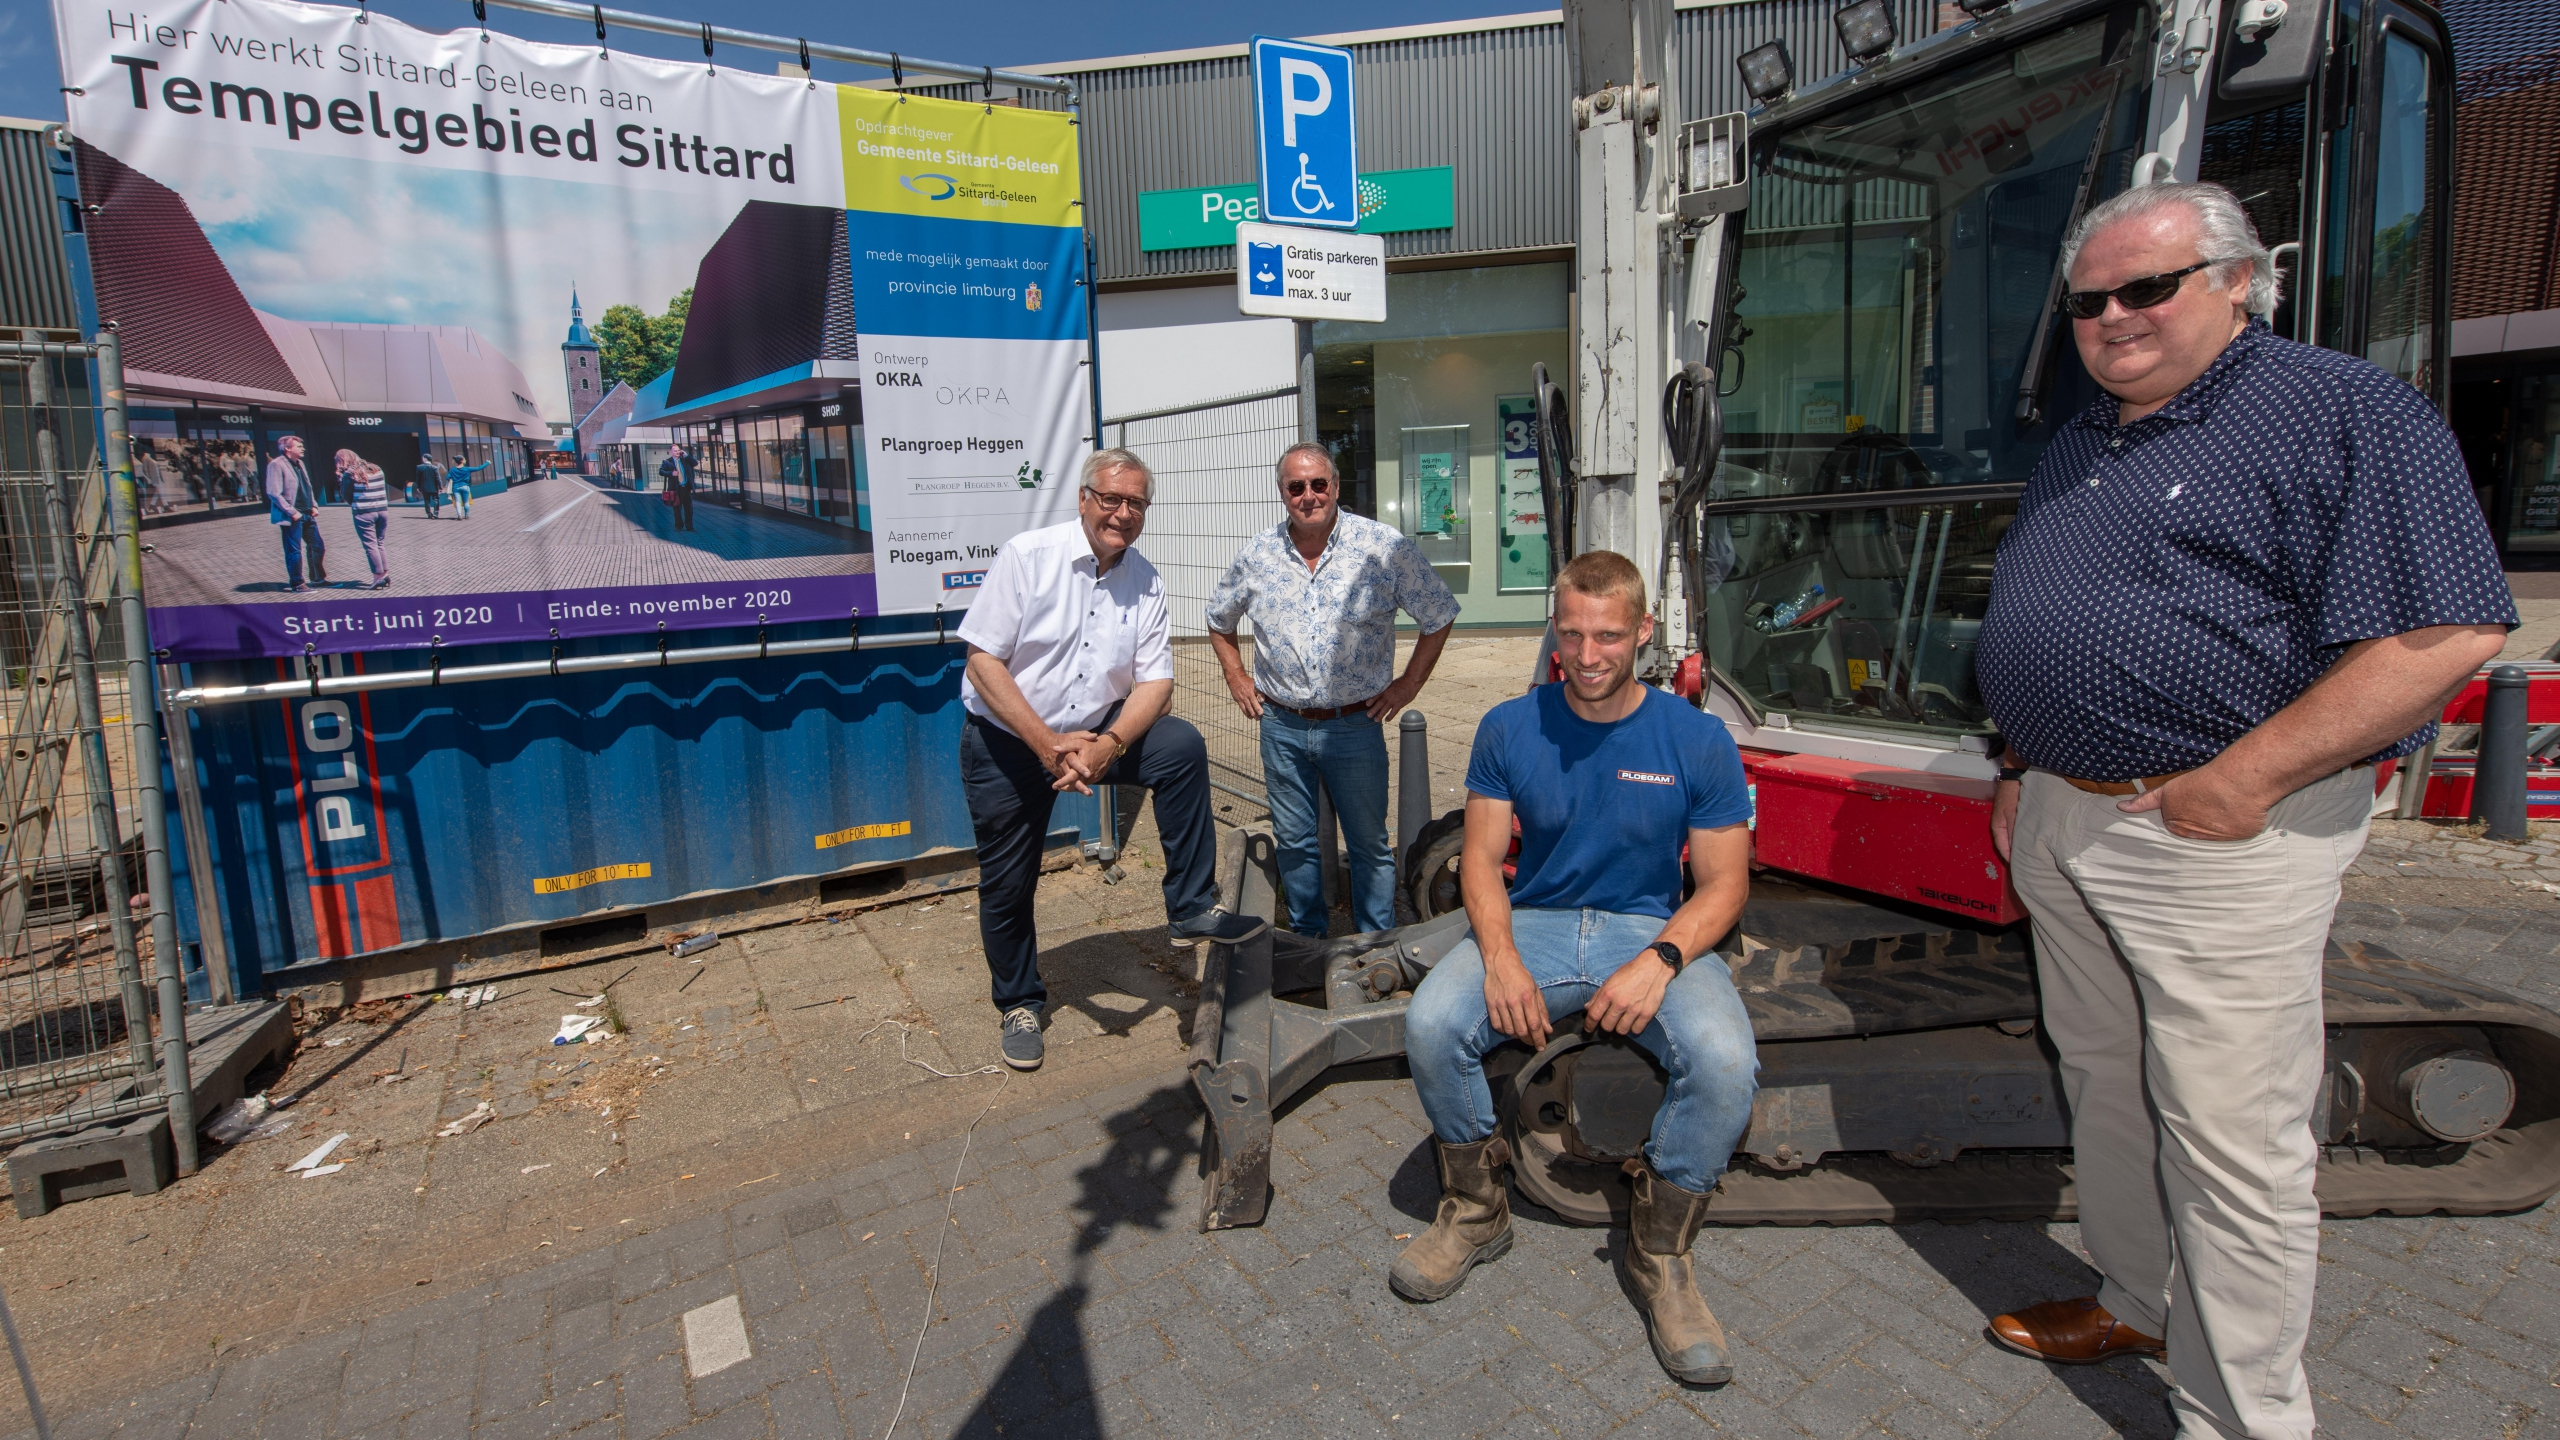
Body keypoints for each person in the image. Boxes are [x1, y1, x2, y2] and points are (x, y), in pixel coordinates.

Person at [1973, 181, 2514, 1440]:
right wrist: (2016, 764)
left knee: (2230, 1143)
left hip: (2211, 834)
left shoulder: (2340, 411)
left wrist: (2245, 778)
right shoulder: (2087, 434)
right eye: (2091, 300)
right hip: (2061, 813)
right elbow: (2046, 614)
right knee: (2105, 1079)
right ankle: (2132, 1296)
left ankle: (2243, 1419)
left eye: (2145, 287)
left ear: (2236, 282)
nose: (2111, 318)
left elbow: (2447, 629)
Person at [1396, 550, 1757, 1386]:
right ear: (1553, 629)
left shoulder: (1696, 738)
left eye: (1607, 636)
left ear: (1643, 632)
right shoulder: (1510, 726)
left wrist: (1661, 960)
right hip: (1541, 922)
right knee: (1431, 1023)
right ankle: (1478, 1212)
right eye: (1571, 634)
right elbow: (1481, 863)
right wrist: (1501, 958)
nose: (1588, 655)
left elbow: (1726, 884)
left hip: (1650, 927)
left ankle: (1659, 1253)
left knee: (1726, 1059)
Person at [957, 448, 1262, 1072]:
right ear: (1084, 500)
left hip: (1096, 734)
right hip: (1010, 741)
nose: (1122, 514)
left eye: (1136, 504)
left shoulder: (1145, 578)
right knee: (1009, 883)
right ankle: (1018, 1002)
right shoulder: (1028, 556)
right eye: (1111, 499)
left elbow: (1155, 685)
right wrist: (1047, 745)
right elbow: (982, 662)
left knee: (1179, 745)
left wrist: (1109, 746)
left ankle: (1190, 907)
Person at [1206, 441, 1458, 935]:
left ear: (1336, 487)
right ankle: (1307, 940)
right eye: (1295, 486)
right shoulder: (1257, 554)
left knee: (1368, 844)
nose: (1308, 495)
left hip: (1354, 726)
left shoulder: (1384, 548)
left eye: (1319, 484)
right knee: (1295, 842)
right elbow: (1218, 620)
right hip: (1281, 725)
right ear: (1282, 493)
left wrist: (1408, 684)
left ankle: (1374, 944)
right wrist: (1236, 676)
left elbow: (1439, 613)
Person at [264, 435, 327, 592]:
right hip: (292, 515)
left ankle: (318, 579)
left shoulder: (300, 463)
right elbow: (273, 492)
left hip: (307, 513)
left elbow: (308, 486)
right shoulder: (276, 465)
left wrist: (314, 505)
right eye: (299, 446)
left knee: (317, 546)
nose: (302, 448)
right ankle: (297, 583)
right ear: (287, 448)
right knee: (294, 550)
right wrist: (291, 511)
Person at [341, 453, 391, 589]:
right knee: (380, 543)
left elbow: (346, 495)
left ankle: (377, 577)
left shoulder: (350, 473)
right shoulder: (377, 468)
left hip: (364, 512)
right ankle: (385, 574)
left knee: (370, 545)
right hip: (382, 510)